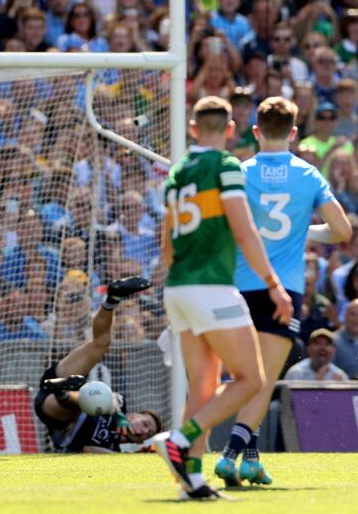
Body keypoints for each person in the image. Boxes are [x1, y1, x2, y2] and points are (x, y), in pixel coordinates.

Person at [155, 96, 293, 500]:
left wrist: (178, 285)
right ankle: (180, 439)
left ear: (194, 128)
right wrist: (273, 283)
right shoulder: (226, 166)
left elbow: (166, 242)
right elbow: (245, 231)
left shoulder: (177, 173)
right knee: (252, 378)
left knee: (202, 387)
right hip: (211, 286)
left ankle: (191, 481)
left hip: (177, 286)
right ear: (230, 130)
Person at [215, 96, 351, 487]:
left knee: (248, 375)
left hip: (239, 287)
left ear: (255, 131)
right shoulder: (308, 175)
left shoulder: (239, 171)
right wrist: (302, 232)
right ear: (293, 133)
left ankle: (252, 460)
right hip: (283, 290)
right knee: (262, 379)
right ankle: (229, 455)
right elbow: (342, 232)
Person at [34, 276, 162, 453]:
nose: (145, 431)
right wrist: (118, 416)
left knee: (89, 404)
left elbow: (87, 450)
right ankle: (112, 299)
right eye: (146, 423)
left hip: (56, 413)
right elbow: (114, 399)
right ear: (132, 416)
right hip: (61, 379)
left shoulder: (112, 450)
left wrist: (133, 458)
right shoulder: (120, 407)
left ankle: (64, 393)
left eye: (149, 433)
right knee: (101, 343)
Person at [283, 328, 349, 381]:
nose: (322, 348)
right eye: (317, 343)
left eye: (327, 344)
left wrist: (337, 389)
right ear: (308, 349)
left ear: (334, 350)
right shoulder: (296, 373)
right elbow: (285, 397)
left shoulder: (340, 376)